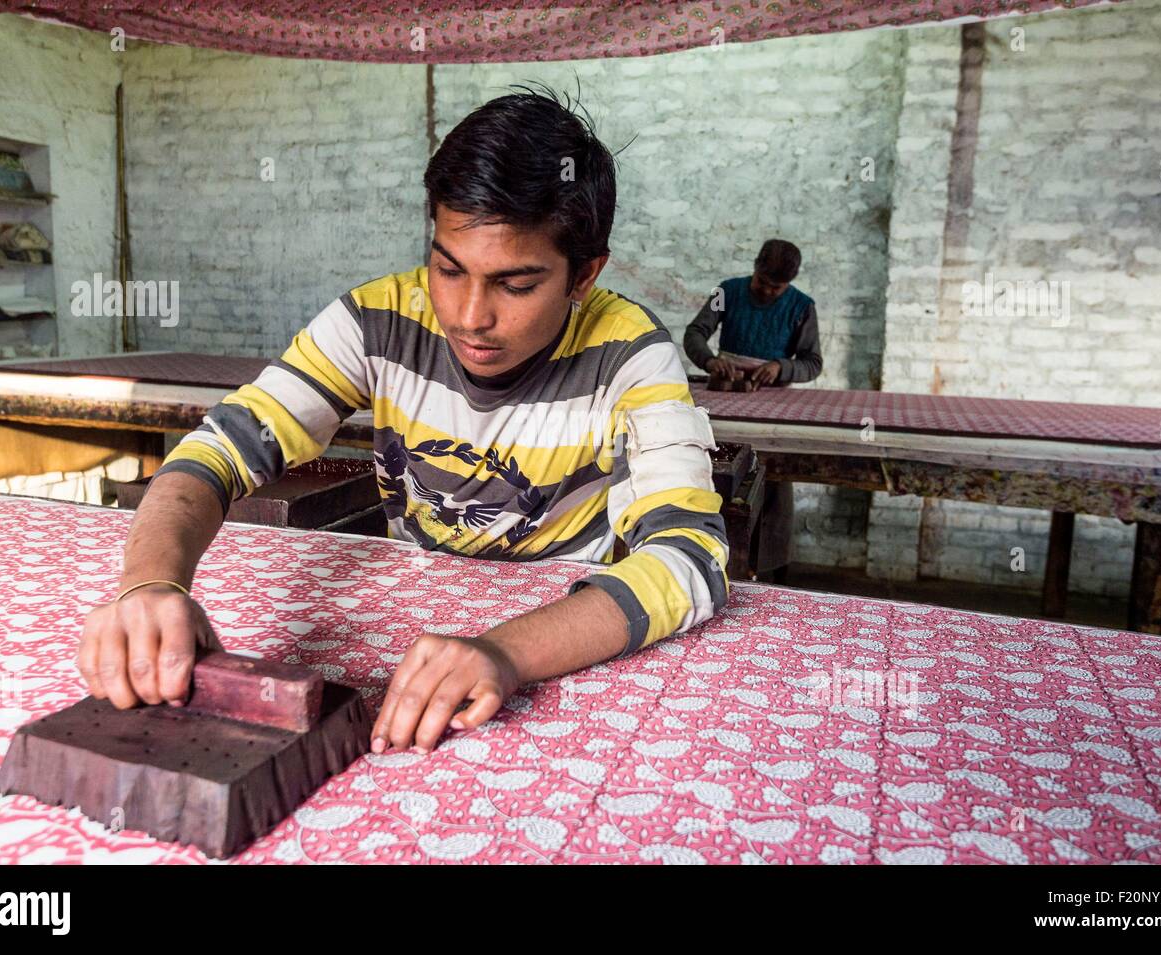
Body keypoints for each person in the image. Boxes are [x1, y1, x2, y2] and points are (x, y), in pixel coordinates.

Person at [77, 86, 729, 754]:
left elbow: (690, 562)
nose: (469, 315)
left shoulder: (630, 352)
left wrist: (504, 653)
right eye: (448, 268)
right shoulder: (376, 320)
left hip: (562, 643)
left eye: (516, 285)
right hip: (408, 631)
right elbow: (217, 451)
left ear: (583, 276)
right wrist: (152, 585)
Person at [683, 240, 822, 584]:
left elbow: (813, 363)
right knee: (721, 469)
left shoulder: (803, 306)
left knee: (772, 481)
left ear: (790, 283)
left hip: (773, 401)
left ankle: (770, 570)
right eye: (762, 283)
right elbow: (695, 333)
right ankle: (707, 556)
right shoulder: (727, 291)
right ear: (755, 269)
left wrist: (781, 368)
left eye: (777, 288)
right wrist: (711, 360)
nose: (768, 292)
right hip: (725, 389)